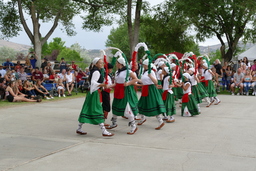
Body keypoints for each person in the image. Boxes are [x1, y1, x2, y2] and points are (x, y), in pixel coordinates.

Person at [76, 58, 114, 137]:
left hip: (93, 92)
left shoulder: (96, 70)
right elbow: (93, 82)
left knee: (87, 109)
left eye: (102, 63)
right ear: (96, 64)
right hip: (95, 93)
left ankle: (79, 128)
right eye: (100, 63)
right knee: (98, 110)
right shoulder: (96, 72)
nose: (101, 64)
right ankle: (103, 130)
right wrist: (103, 85)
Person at [107, 57, 139, 135]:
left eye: (117, 63)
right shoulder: (117, 72)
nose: (116, 64)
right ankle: (114, 123)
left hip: (125, 91)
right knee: (115, 106)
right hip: (118, 91)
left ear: (121, 63)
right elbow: (116, 83)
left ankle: (133, 126)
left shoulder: (128, 71)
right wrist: (108, 86)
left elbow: (135, 79)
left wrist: (128, 83)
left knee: (127, 108)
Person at [137, 59, 166, 129]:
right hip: (145, 89)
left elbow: (155, 81)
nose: (143, 66)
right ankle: (143, 118)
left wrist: (150, 76)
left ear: (146, 65)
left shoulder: (151, 72)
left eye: (144, 65)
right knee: (142, 104)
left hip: (151, 90)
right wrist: (135, 80)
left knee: (153, 105)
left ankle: (160, 121)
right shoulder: (144, 72)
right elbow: (143, 81)